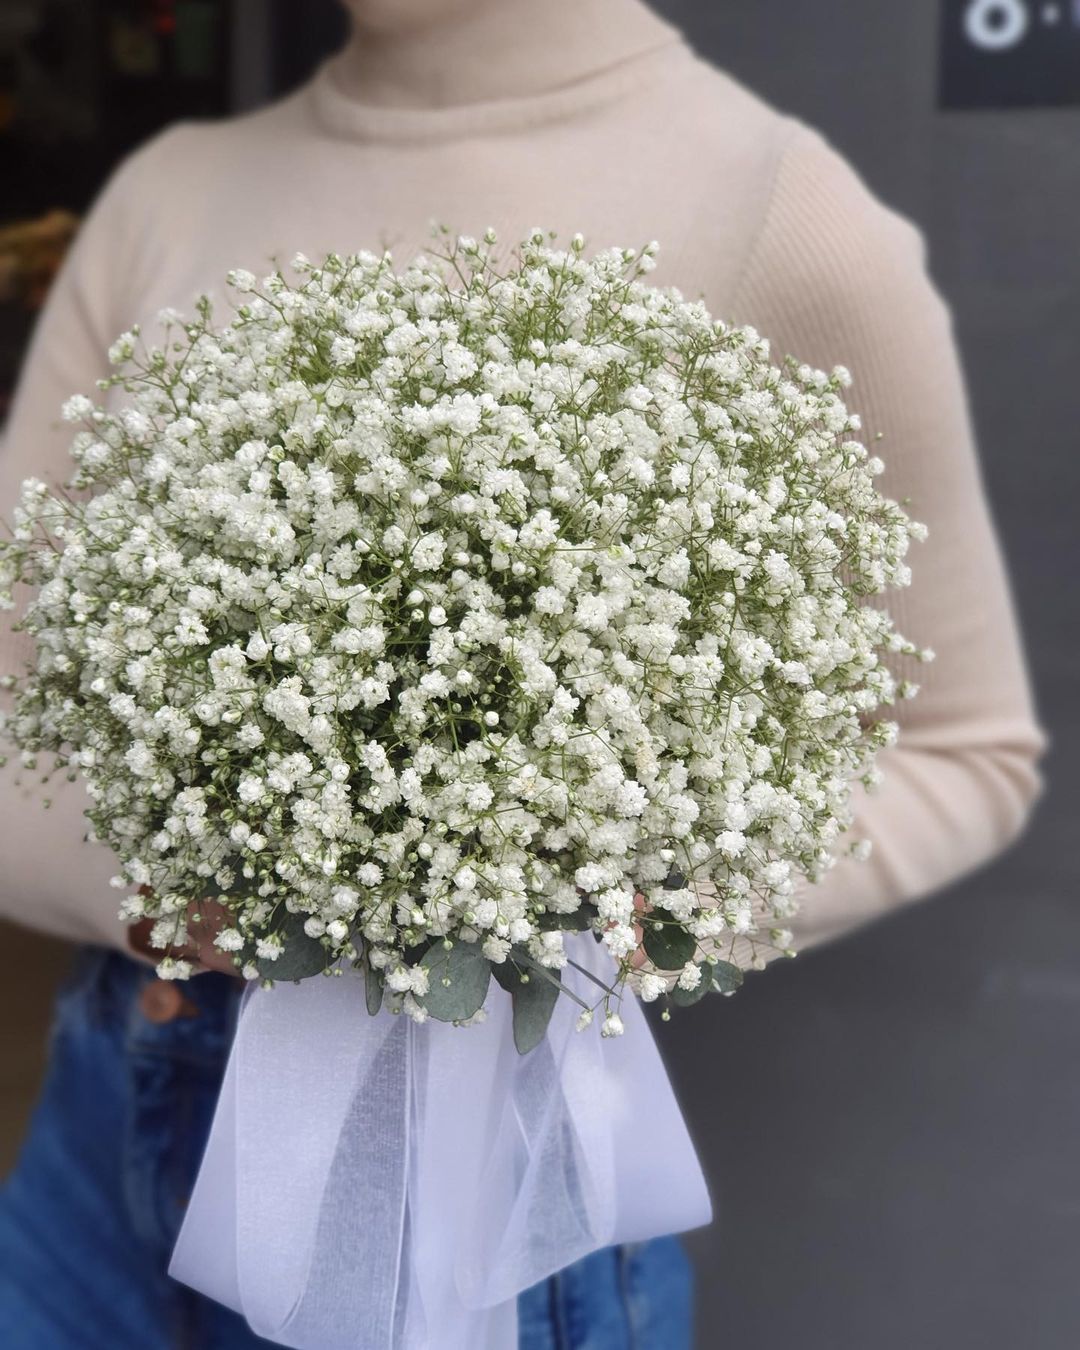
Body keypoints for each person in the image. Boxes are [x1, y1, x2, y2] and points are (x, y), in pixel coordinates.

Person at [0, 0, 1045, 1345]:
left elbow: (968, 751)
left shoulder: (780, 204)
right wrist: (181, 900)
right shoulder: (169, 191)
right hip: (112, 1117)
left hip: (491, 1186)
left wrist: (612, 910)